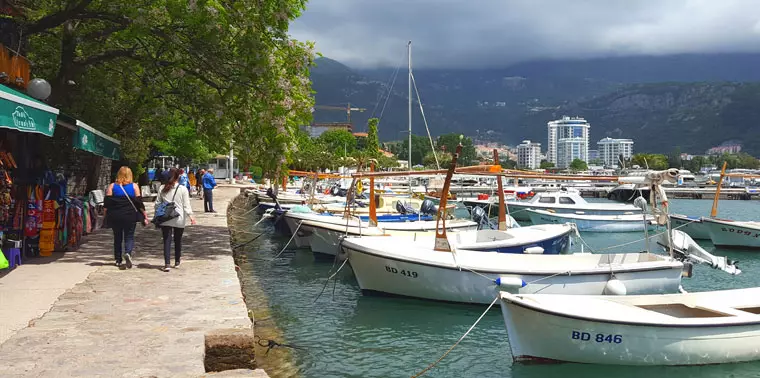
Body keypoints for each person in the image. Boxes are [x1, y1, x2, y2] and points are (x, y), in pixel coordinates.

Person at [104, 166, 149, 268]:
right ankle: (128, 252)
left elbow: (107, 203)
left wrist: (105, 215)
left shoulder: (112, 186)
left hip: (116, 215)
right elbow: (138, 203)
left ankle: (118, 259)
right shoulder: (134, 186)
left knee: (117, 237)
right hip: (130, 216)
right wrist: (144, 214)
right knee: (129, 236)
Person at [155, 168, 195, 272]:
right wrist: (191, 216)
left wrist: (158, 213)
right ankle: (177, 261)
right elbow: (186, 205)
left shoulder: (162, 188)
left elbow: (157, 204)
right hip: (179, 217)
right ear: (178, 177)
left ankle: (167, 264)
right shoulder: (182, 189)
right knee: (178, 240)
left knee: (166, 241)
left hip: (166, 217)